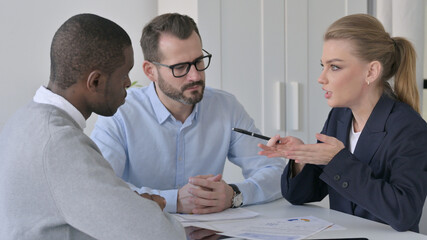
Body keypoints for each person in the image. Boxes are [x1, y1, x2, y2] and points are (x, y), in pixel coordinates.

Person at [0, 13, 185, 240]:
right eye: (124, 74)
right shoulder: (59, 144)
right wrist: (147, 213)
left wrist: (132, 206)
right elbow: (161, 235)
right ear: (95, 81)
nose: (129, 82)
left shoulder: (25, 119)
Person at [91, 13, 285, 214]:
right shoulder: (120, 114)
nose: (195, 76)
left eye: (199, 61)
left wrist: (234, 194)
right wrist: (173, 201)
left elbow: (276, 172)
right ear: (150, 71)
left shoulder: (226, 107)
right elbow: (100, 187)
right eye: (180, 67)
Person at [258, 13, 427, 232]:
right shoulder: (340, 117)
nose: (321, 77)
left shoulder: (409, 129)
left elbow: (404, 213)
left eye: (334, 67)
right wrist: (300, 157)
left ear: (371, 71)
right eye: (323, 65)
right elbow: (301, 195)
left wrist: (337, 160)